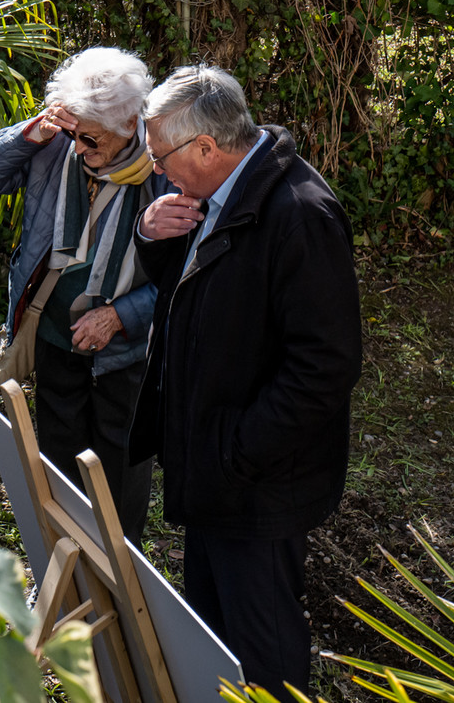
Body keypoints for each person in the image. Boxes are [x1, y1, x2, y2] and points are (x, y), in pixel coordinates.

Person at [128, 65, 361, 703]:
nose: (156, 171)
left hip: (256, 479)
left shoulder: (300, 215)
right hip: (214, 463)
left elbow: (326, 368)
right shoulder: (219, 189)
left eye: (159, 156)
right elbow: (199, 292)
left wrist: (237, 450)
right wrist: (154, 237)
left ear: (206, 147)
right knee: (212, 626)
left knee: (264, 645)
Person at [0, 47, 163, 542]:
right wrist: (32, 132)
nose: (78, 148)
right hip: (56, 332)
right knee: (58, 457)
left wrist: (121, 315)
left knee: (119, 471)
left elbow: (188, 274)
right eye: (74, 133)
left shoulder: (165, 166)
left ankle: (123, 586)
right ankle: (66, 570)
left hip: (128, 348)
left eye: (90, 138)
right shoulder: (57, 145)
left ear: (130, 124)